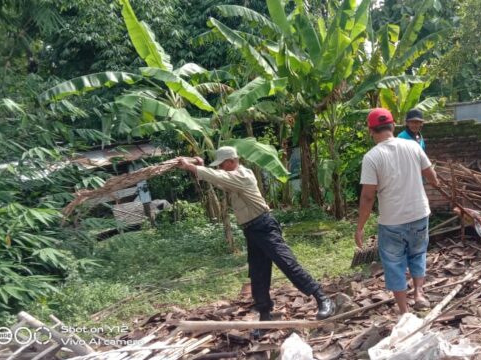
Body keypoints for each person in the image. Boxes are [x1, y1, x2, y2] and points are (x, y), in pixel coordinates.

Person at [176, 147, 335, 337]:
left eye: (222, 165)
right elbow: (221, 182)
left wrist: (192, 168)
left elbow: (221, 178)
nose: (222, 168)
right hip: (251, 231)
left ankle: (322, 298)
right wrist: (201, 167)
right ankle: (265, 316)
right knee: (258, 275)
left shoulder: (243, 176)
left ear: (231, 161)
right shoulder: (233, 178)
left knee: (287, 263)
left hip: (264, 226)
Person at [355, 108, 439, 314]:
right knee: (418, 254)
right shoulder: (413, 146)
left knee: (394, 263)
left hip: (392, 220)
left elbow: (367, 196)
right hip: (419, 213)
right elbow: (432, 177)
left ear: (370, 131)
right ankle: (419, 294)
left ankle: (404, 311)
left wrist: (360, 227)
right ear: (393, 126)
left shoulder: (372, 157)